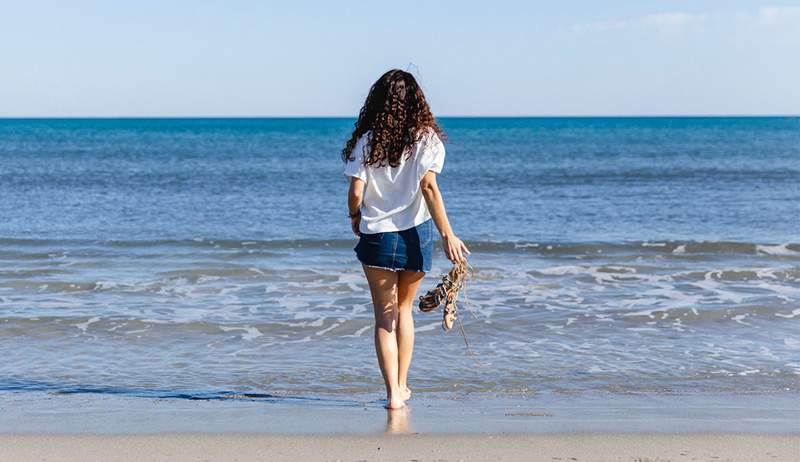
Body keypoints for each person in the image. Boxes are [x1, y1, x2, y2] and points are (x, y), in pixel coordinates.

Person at [342, 69, 470, 409]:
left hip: (377, 236)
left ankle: (393, 395)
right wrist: (448, 235)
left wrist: (355, 216)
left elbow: (356, 191)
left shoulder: (367, 140)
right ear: (417, 101)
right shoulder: (428, 140)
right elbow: (429, 188)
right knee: (404, 310)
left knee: (384, 317)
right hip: (416, 234)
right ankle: (403, 383)